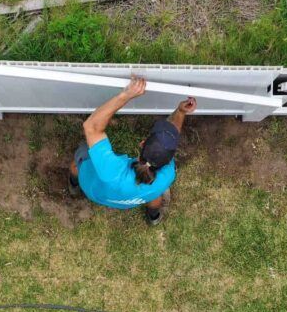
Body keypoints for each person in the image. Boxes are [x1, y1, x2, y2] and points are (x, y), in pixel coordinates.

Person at [68, 76, 196, 225]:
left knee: (81, 158)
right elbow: (170, 139)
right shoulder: (168, 174)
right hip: (137, 198)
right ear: (169, 159)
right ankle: (153, 217)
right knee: (155, 195)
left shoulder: (113, 173)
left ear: (142, 144)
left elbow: (91, 127)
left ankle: (74, 185)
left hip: (95, 192)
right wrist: (180, 112)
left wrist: (126, 95)